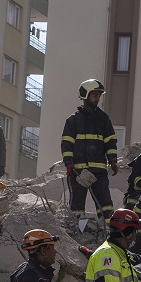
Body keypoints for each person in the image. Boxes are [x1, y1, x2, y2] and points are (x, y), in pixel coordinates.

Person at [61, 82, 119, 225]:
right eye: (94, 95)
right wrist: (68, 163)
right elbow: (66, 143)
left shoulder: (103, 119)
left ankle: (107, 232)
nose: (97, 99)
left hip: (99, 170)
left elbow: (111, 141)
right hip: (78, 171)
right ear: (85, 96)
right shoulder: (73, 120)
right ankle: (76, 230)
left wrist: (113, 160)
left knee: (105, 204)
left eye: (99, 96)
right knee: (77, 205)